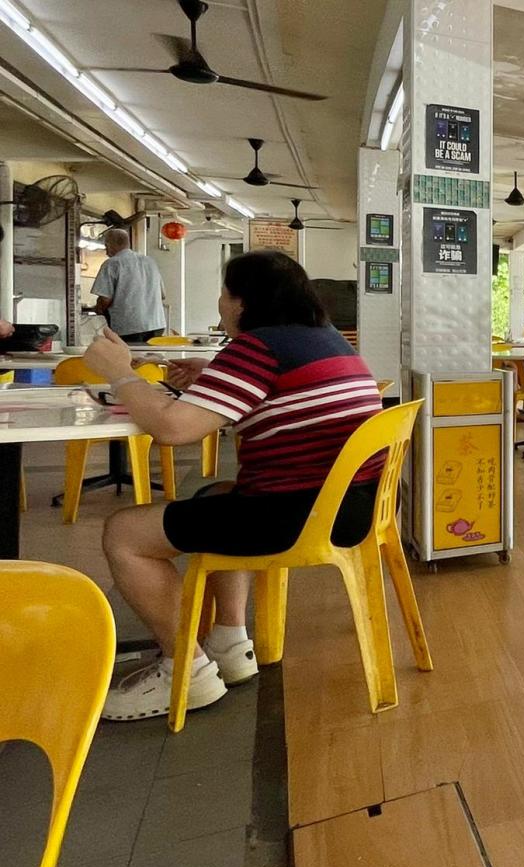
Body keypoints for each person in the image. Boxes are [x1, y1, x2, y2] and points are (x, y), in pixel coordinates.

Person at [83, 250, 383, 720]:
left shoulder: (258, 348)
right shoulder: (323, 340)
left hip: (296, 515)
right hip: (354, 507)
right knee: (217, 495)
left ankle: (189, 671)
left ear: (245, 302)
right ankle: (229, 643)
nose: (220, 303)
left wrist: (121, 374)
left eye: (225, 294)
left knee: (124, 533)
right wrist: (213, 372)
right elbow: (281, 391)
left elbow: (172, 429)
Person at [90, 228, 169, 344]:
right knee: (151, 359)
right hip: (156, 324)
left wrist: (98, 308)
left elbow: (105, 299)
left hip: (130, 327)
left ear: (109, 245)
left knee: (131, 359)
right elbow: (163, 294)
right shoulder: (149, 261)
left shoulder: (112, 263)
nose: (106, 251)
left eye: (106, 247)